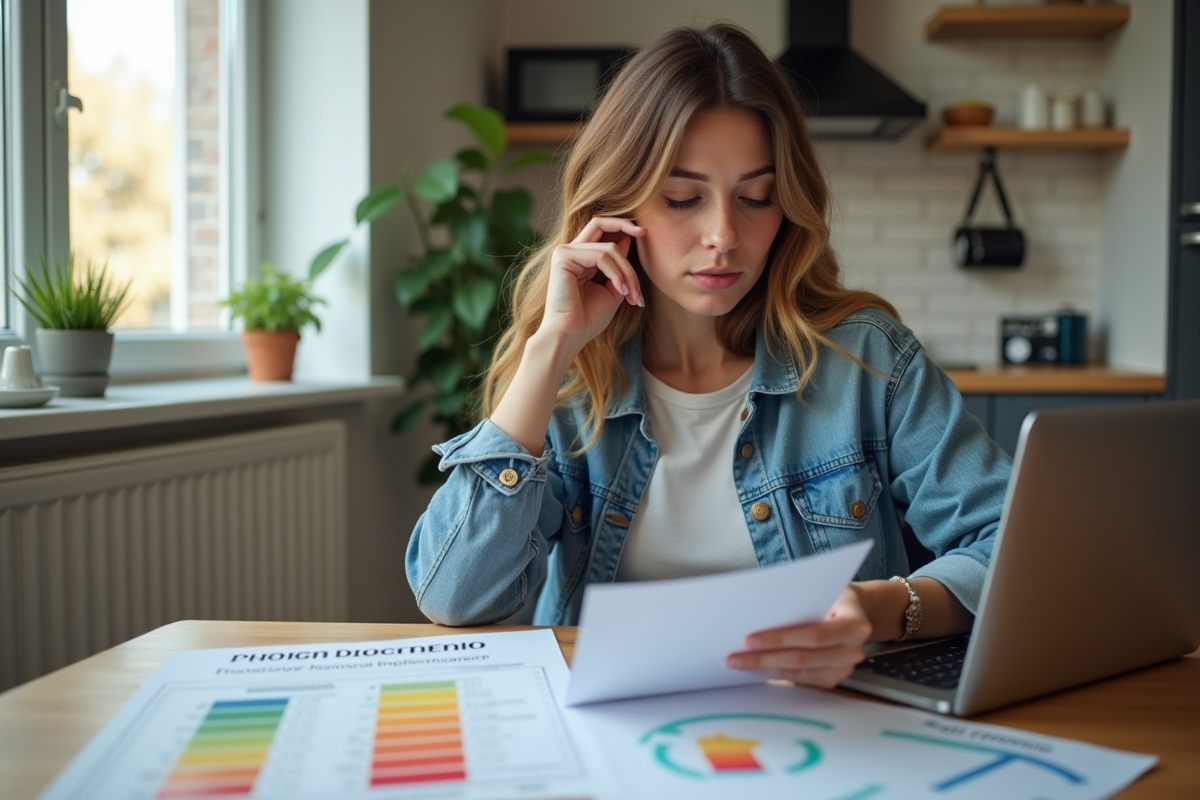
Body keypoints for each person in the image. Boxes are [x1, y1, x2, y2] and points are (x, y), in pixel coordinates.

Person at [406, 22, 1011, 689]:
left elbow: (1015, 547)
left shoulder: (868, 360)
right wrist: (550, 347)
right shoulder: (571, 380)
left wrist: (887, 608)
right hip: (615, 739)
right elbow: (454, 598)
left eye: (757, 197)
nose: (724, 235)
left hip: (828, 736)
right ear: (618, 203)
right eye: (682, 198)